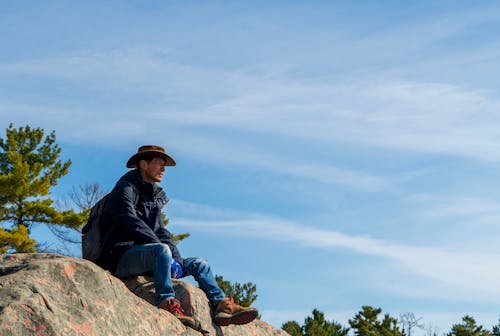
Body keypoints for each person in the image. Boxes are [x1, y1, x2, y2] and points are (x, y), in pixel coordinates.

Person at [97, 145, 258, 328]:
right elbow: (128, 220)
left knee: (200, 264)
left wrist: (176, 260)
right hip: (121, 257)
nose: (163, 169)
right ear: (143, 164)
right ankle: (166, 302)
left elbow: (161, 232)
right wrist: (163, 252)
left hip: (150, 255)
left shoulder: (152, 194)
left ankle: (222, 305)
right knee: (161, 250)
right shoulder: (125, 188)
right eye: (159, 164)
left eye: (164, 165)